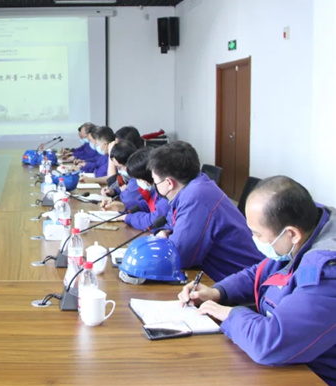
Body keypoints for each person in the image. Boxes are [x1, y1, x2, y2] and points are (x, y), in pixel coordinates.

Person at [178, 176, 336, 384]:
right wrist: (218, 292)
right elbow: (260, 273)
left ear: (291, 234)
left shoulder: (327, 274)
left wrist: (231, 314)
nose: (254, 240)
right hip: (294, 364)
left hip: (317, 375)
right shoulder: (306, 227)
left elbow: (270, 343)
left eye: (258, 234)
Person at [148, 141, 263, 281]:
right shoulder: (194, 186)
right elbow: (170, 223)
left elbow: (178, 257)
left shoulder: (196, 196)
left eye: (155, 181)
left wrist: (165, 239)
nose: (155, 186)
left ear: (169, 183)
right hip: (223, 274)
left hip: (243, 280)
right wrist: (165, 233)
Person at [120, 147, 170, 231]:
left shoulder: (166, 193)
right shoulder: (155, 190)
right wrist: (123, 207)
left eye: (139, 179)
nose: (138, 182)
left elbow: (153, 220)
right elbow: (150, 205)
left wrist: (128, 218)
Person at [98, 140, 141, 211]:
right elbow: (116, 187)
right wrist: (113, 191)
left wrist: (123, 191)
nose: (119, 170)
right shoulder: (127, 176)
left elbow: (127, 198)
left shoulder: (137, 177)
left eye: (119, 167)